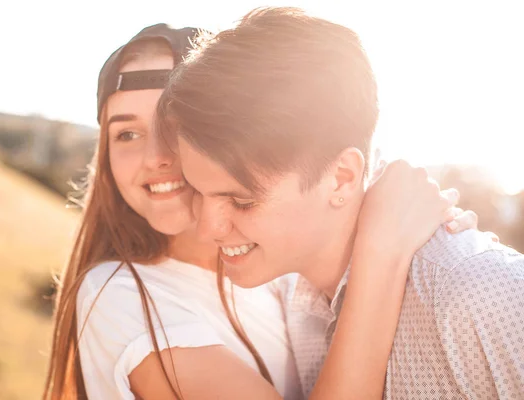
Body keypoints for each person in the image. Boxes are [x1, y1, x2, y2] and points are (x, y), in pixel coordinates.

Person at [43, 23, 481, 400]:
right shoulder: (117, 295)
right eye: (126, 135)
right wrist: (384, 248)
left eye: (171, 128)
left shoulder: (269, 267)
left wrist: (424, 228)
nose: (156, 156)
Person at [157, 7, 524, 399]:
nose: (208, 227)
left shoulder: (480, 293)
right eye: (199, 191)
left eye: (242, 201)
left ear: (342, 177)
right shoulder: (288, 301)